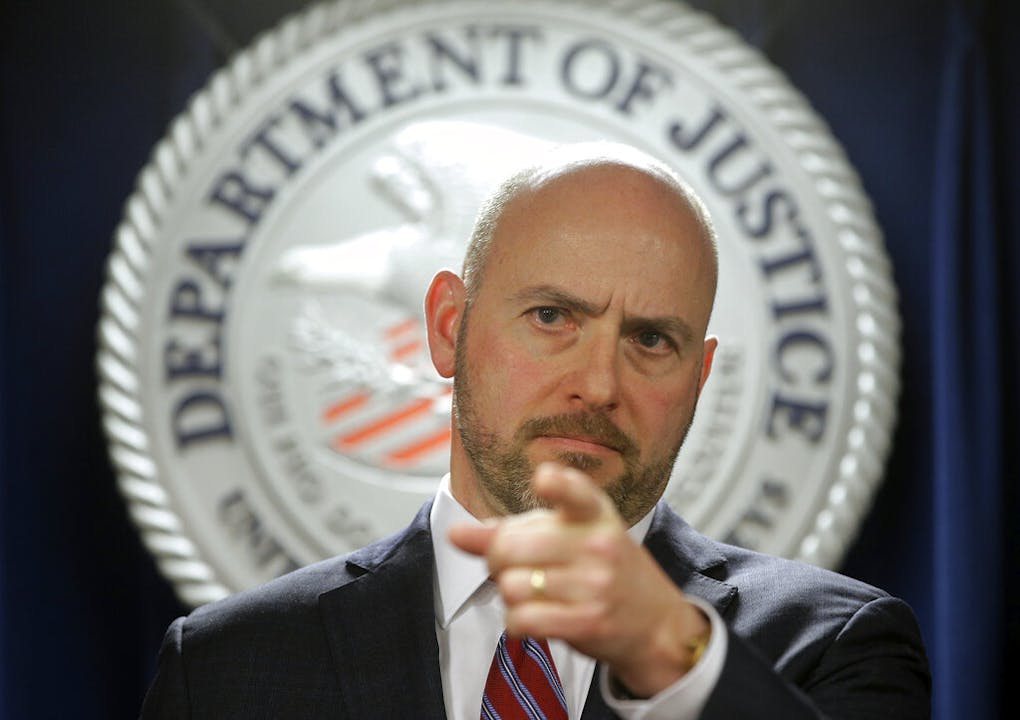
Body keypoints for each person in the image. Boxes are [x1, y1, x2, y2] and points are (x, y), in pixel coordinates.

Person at [139, 142, 930, 719]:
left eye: (651, 339)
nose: (600, 385)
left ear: (698, 377)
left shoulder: (835, 645)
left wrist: (673, 655)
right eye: (552, 317)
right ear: (448, 327)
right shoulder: (225, 669)